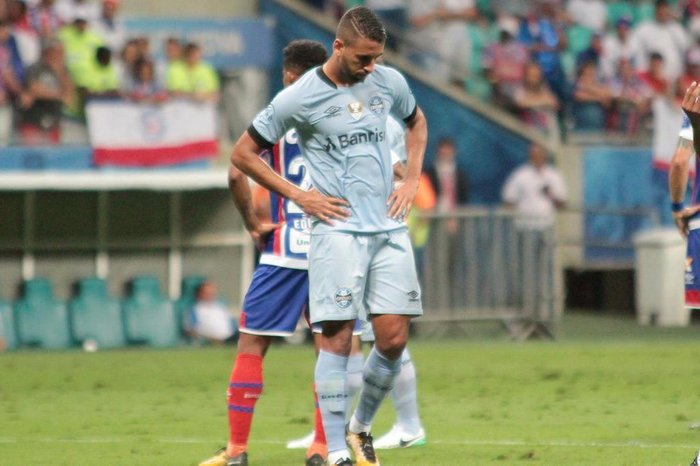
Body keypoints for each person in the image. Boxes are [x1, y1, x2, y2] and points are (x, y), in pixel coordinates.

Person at [224, 7, 428, 466]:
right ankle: (332, 451)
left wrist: (412, 178)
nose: (370, 66)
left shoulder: (387, 81)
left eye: (376, 57)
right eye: (362, 58)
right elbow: (242, 155)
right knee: (335, 340)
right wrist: (301, 197)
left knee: (392, 339)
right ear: (338, 47)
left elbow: (416, 122)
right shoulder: (299, 97)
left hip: (389, 226)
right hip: (337, 232)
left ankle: (359, 428)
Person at [198, 39, 330, 466]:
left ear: (288, 74)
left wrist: (254, 224)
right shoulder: (346, 111)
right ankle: (323, 448)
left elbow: (237, 173)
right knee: (332, 351)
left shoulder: (276, 114)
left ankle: (236, 451)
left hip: (285, 248)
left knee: (252, 346)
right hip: (334, 250)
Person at [501, 143, 566, 338]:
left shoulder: (553, 177)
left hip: (545, 229)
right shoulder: (521, 175)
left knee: (544, 273)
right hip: (526, 229)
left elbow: (563, 202)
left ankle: (542, 315)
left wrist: (551, 195)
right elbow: (508, 199)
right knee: (525, 273)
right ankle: (524, 314)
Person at [183, 280, 238, 344]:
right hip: (211, 340)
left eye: (212, 292)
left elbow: (233, 325)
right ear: (199, 293)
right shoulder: (194, 309)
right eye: (206, 293)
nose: (210, 295)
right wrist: (208, 339)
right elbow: (189, 329)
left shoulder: (220, 307)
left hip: (230, 338)